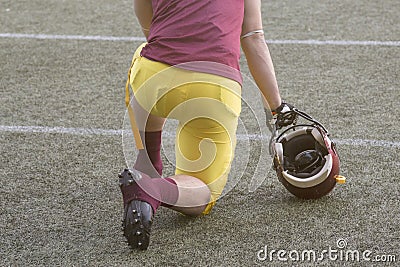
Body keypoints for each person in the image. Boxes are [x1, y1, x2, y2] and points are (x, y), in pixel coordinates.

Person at [120, 0, 296, 250]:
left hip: (155, 77)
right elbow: (253, 38)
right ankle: (152, 189)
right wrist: (277, 107)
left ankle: (148, 161)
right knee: (202, 191)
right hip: (215, 87)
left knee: (145, 53)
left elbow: (145, 17)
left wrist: (169, 51)